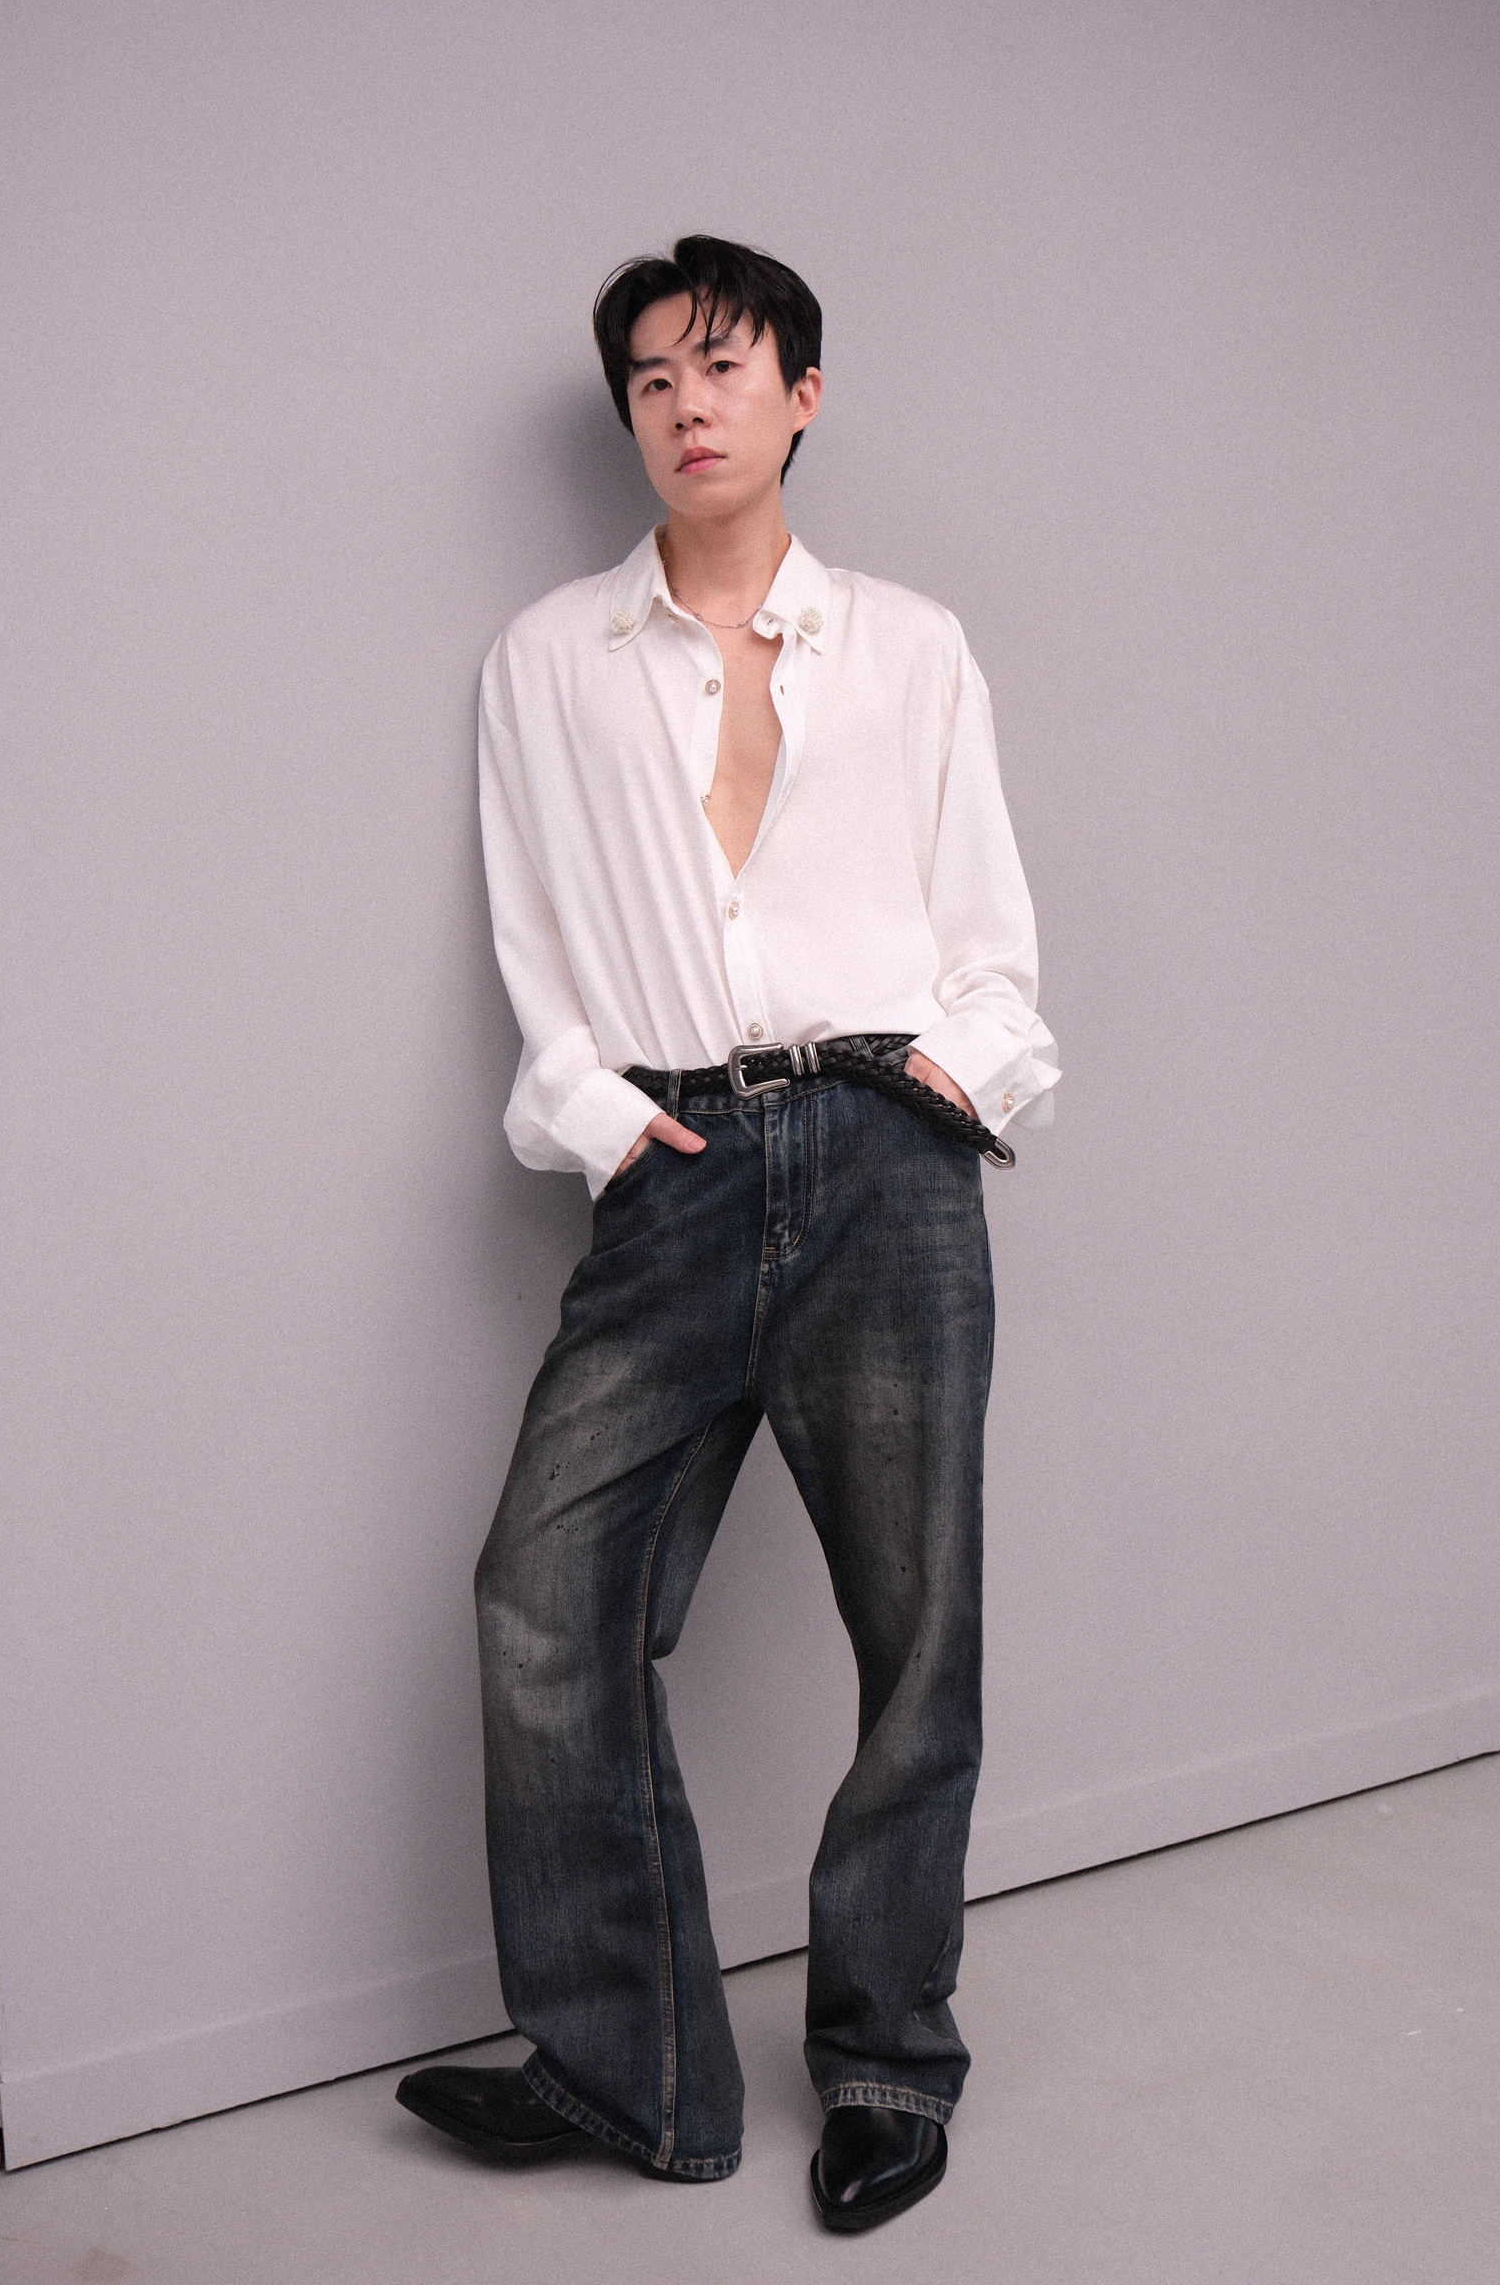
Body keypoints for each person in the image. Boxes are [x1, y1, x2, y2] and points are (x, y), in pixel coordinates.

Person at [396, 235, 1059, 2233]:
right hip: (675, 1168)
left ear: (801, 396)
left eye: (725, 366)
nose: (688, 406)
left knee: (915, 1634)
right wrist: (605, 1122)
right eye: (652, 380)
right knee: (547, 1600)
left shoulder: (913, 648)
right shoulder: (545, 662)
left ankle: (885, 2058)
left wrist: (952, 1087)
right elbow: (538, 947)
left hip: (883, 1157)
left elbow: (988, 934)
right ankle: (632, 2067)